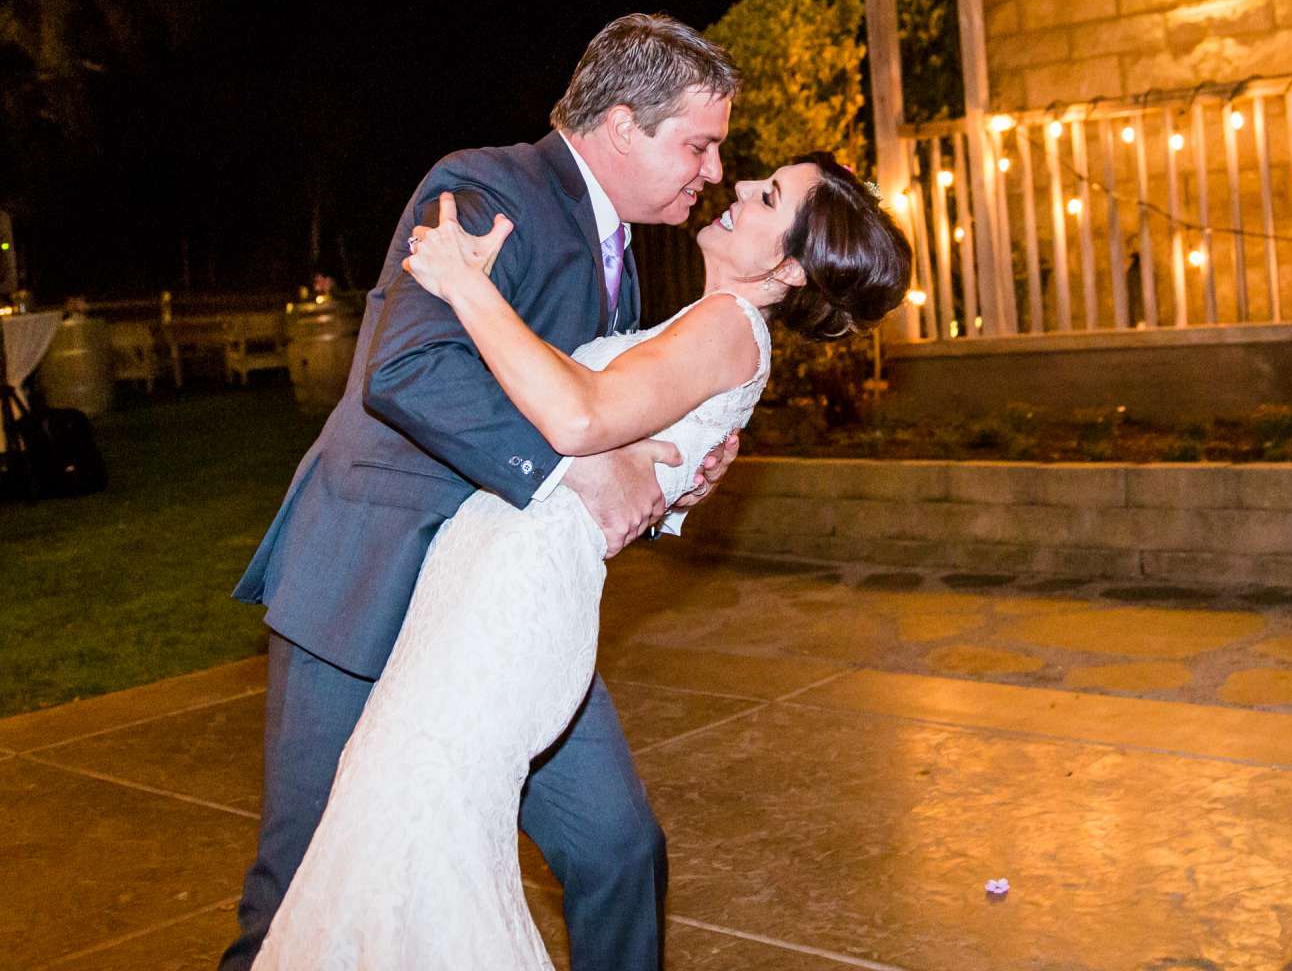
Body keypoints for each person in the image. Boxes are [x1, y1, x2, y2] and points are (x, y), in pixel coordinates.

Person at [258, 151, 908, 968]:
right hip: (482, 574)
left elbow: (575, 417)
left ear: (787, 264)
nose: (730, 181)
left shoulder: (724, 328)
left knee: (414, 830)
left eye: (768, 194)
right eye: (719, 156)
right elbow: (584, 420)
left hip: (507, 595)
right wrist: (670, 479)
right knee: (402, 828)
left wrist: (466, 285)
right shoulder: (701, 322)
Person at [221, 14, 744, 971]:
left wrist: (670, 478)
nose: (711, 170)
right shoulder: (486, 186)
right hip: (369, 584)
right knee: (301, 894)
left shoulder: (621, 262)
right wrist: (580, 462)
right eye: (699, 145)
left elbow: (585, 411)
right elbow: (409, 371)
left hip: (498, 610)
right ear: (623, 127)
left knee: (620, 849)